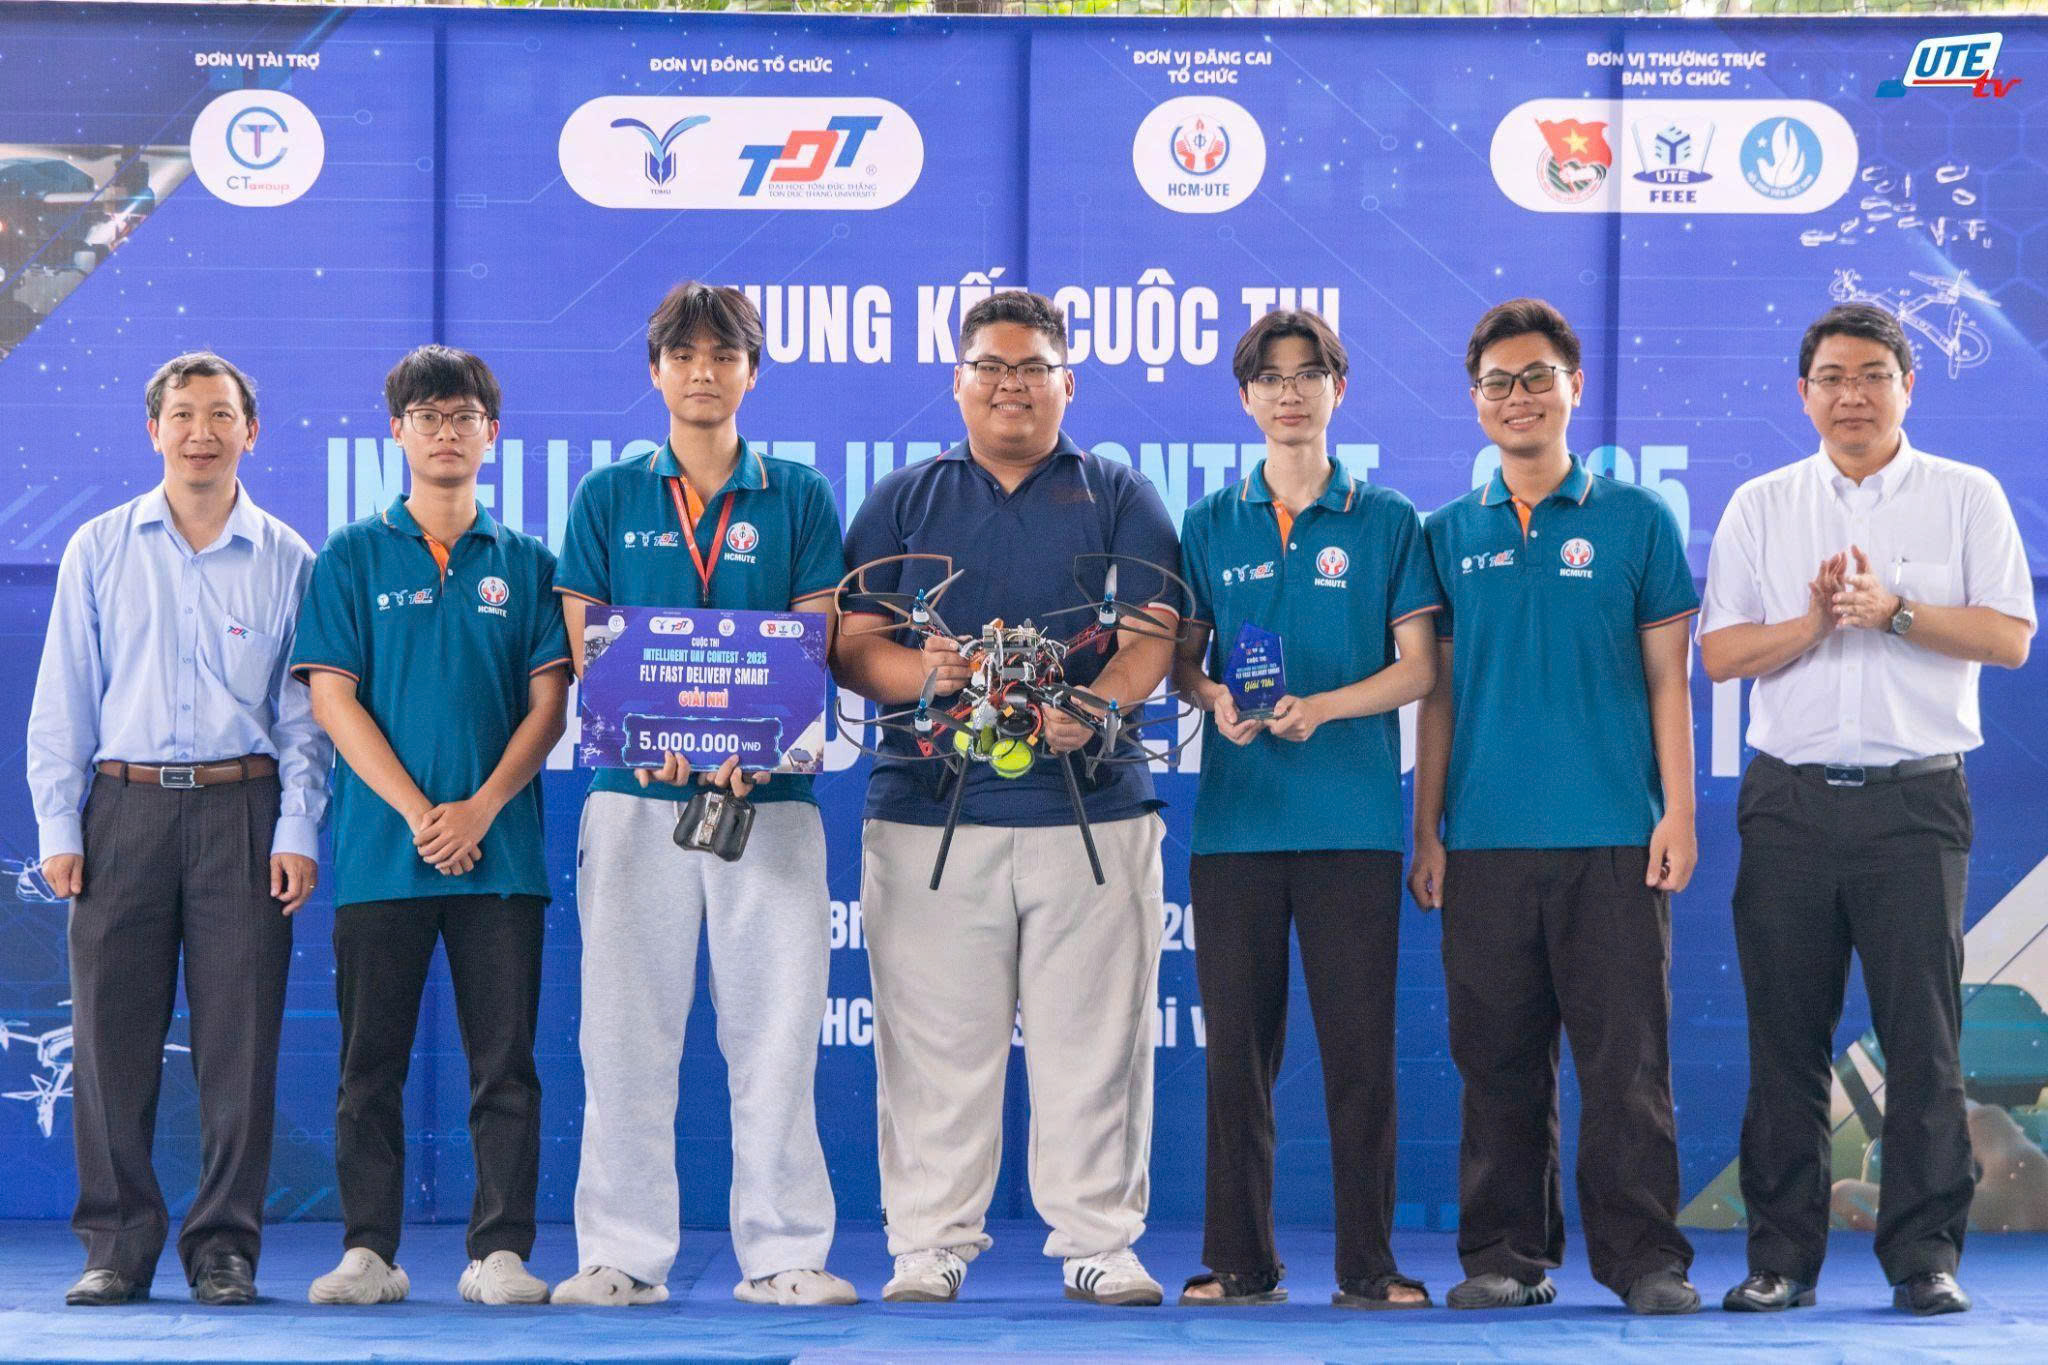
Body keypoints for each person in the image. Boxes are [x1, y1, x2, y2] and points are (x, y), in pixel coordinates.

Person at [833, 290, 1180, 1306]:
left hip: (1093, 811)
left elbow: (1152, 635)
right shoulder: (903, 500)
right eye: (990, 366)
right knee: (933, 1047)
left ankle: (1099, 1241)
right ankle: (928, 1242)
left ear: (1066, 382)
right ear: (958, 381)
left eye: (1031, 368)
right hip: (928, 808)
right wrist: (928, 675)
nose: (1010, 386)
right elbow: (851, 645)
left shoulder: (1118, 493)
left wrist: (1096, 709)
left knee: (1097, 1045)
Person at [1697, 302, 2034, 1317]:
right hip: (1788, 803)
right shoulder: (1761, 503)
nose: (1852, 395)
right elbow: (1720, 653)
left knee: (1923, 1042)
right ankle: (1781, 1260)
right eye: (1832, 377)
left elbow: (2010, 636)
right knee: (1784, 1043)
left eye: (1873, 375)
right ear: (1802, 394)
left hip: (1914, 802)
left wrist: (1893, 612)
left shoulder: (1964, 495)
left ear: (1907, 387)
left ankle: (1923, 1257)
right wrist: (1810, 624)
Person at [549, 282, 856, 1308]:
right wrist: (649, 735)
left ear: (750, 372)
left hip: (770, 799)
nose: (702, 372)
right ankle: (621, 1253)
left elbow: (813, 637)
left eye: (723, 355)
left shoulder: (798, 494)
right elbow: (585, 643)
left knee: (776, 1033)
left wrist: (752, 746)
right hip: (632, 794)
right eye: (682, 355)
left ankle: (785, 1252)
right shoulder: (608, 495)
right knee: (623, 1032)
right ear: (655, 371)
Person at [1410, 298, 1701, 1315]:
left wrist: (1677, 811)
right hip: (1483, 840)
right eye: (1497, 382)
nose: (1519, 396)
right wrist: (1426, 830)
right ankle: (1503, 1254)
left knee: (1626, 1066)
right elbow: (1437, 696)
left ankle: (1644, 1259)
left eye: (1537, 377)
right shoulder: (1445, 534)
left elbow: (1668, 679)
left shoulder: (1636, 520)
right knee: (1495, 1064)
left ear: (1574, 386)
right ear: (1475, 401)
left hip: (1614, 836)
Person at [27, 352, 328, 1307]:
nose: (203, 432)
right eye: (184, 414)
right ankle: (116, 1243)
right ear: (153, 430)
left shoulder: (288, 557)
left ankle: (225, 1245)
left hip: (244, 808)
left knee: (241, 1041)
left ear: (252, 432)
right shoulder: (99, 547)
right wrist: (60, 824)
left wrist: (297, 827)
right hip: (123, 810)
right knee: (110, 1039)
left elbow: (305, 718)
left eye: (222, 415)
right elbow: (64, 697)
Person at [290, 346, 570, 1306]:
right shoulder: (351, 556)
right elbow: (333, 699)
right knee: (368, 1067)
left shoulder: (529, 564)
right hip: (384, 857)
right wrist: (420, 814)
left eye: (463, 417)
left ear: (492, 433)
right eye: (427, 417)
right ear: (397, 431)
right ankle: (369, 1250)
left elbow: (549, 707)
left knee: (506, 1067)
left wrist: (480, 808)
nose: (446, 433)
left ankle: (500, 1251)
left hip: (502, 857)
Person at [1170, 310, 1439, 1309]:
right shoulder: (1209, 522)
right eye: (1270, 378)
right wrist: (1214, 701)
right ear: (1246, 399)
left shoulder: (1387, 519)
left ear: (1338, 389)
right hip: (1237, 827)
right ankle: (1239, 1261)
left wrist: (1322, 707)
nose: (1290, 392)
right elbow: (1183, 665)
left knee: (1360, 1057)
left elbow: (1418, 670)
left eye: (1308, 373)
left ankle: (1368, 1266)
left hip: (1351, 825)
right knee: (1237, 1062)